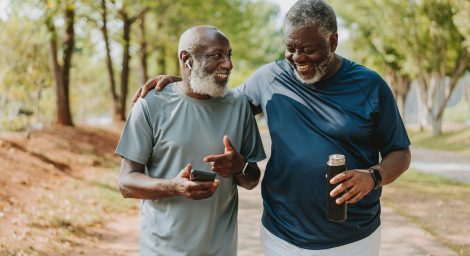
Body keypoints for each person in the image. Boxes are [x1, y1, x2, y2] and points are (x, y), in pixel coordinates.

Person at [133, 0, 411, 255]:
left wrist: (373, 176)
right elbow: (218, 99)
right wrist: (182, 81)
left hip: (354, 238)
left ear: (333, 41)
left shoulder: (370, 86)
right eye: (290, 48)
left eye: (308, 50)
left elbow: (400, 152)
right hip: (282, 236)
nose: (298, 58)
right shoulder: (269, 78)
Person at [116, 25, 266, 256]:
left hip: (221, 250)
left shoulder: (238, 106)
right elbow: (126, 183)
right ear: (187, 59)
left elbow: (251, 180)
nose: (228, 64)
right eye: (217, 55)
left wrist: (240, 166)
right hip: (162, 249)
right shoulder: (151, 104)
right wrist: (173, 187)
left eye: (229, 55)